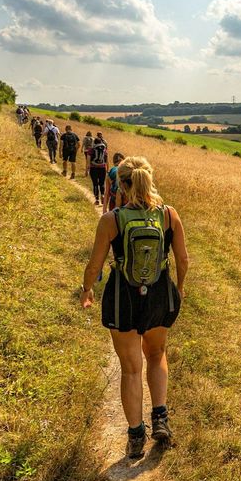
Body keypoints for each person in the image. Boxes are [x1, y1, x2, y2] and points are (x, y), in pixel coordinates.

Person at [81, 157, 188, 459]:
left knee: (131, 369)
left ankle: (136, 435)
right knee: (156, 355)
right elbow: (183, 259)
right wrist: (177, 289)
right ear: (150, 179)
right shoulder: (168, 215)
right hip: (158, 295)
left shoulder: (111, 220)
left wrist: (87, 289)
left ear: (121, 184)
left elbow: (95, 265)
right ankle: (161, 418)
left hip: (122, 298)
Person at [89, 135, 109, 206]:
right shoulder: (104, 149)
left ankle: (97, 199)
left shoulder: (91, 149)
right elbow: (107, 160)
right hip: (102, 168)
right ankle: (103, 195)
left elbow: (88, 160)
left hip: (93, 168)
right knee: (101, 183)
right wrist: (107, 168)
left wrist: (87, 169)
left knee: (95, 184)